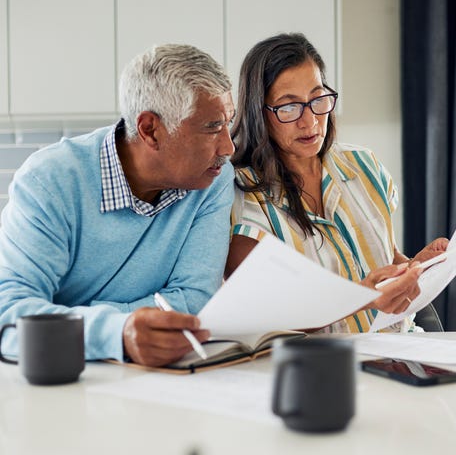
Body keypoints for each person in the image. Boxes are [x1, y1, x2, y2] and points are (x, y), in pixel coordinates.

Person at [0, 44, 236, 366]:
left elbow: (193, 300)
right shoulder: (50, 181)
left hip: (153, 379)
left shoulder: (212, 179)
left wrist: (75, 322)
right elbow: (10, 314)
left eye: (228, 123)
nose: (229, 146)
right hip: (59, 377)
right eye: (212, 128)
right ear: (150, 130)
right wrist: (117, 332)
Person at [226, 33, 448, 333]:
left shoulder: (364, 165)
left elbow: (386, 255)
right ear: (259, 112)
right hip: (322, 365)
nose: (310, 121)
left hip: (402, 350)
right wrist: (363, 298)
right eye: (289, 108)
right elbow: (268, 312)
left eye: (318, 99)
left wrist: (416, 268)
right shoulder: (239, 197)